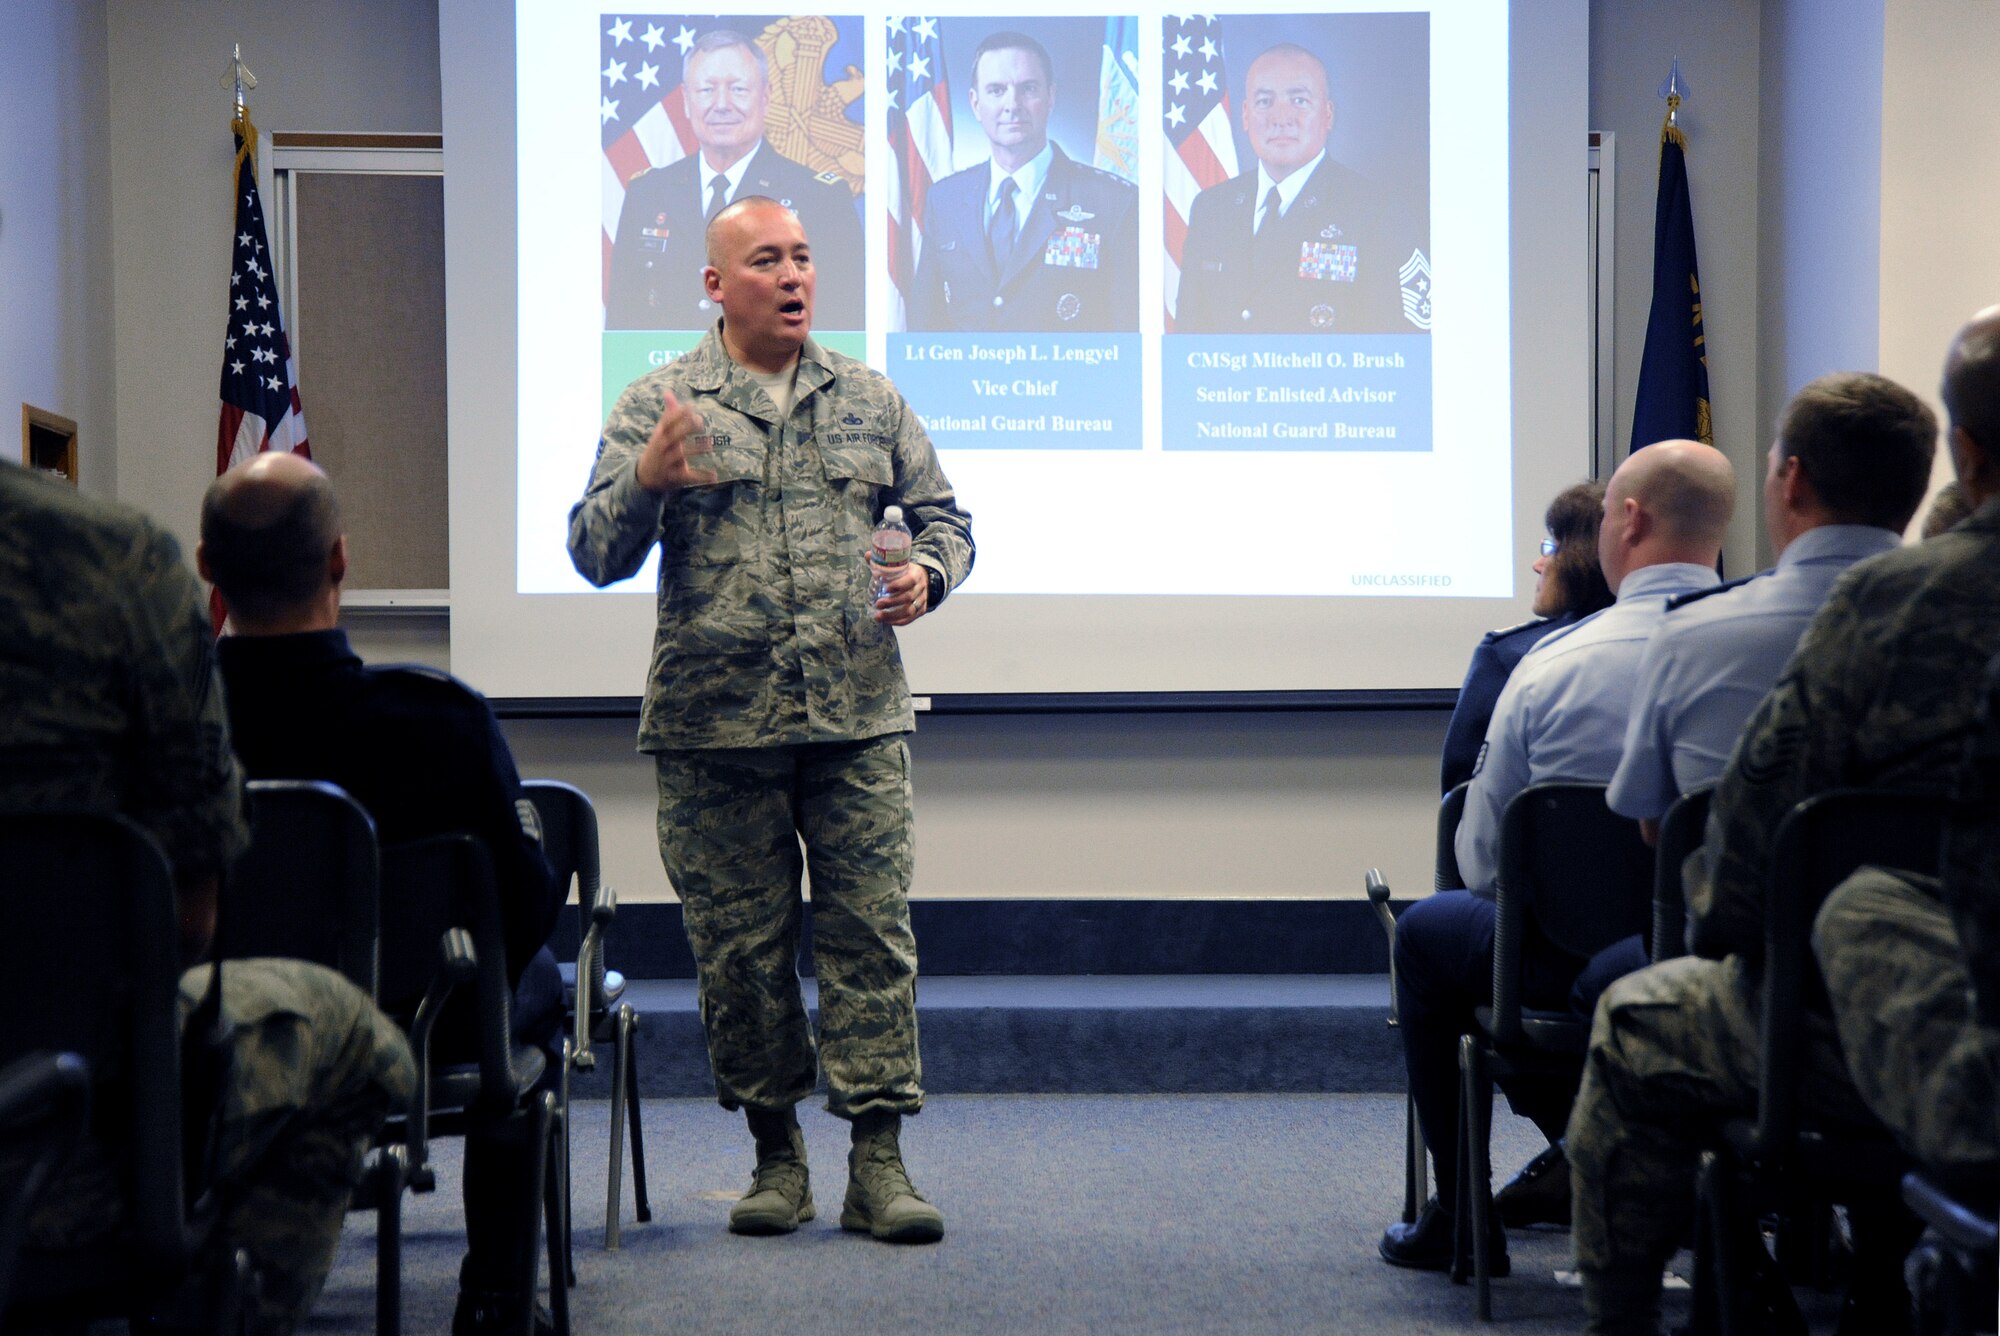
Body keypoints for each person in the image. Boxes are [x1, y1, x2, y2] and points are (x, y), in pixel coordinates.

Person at [1568, 307, 2000, 1336]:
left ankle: (1626, 1322)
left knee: (1635, 1022)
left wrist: (1723, 924)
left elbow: (1761, 845)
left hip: (1894, 1030)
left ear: (1967, 451)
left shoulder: (1889, 604)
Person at [568, 196, 975, 1244]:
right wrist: (648, 483)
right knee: (740, 955)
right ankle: (774, 1158)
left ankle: (877, 1163)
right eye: (765, 260)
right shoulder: (661, 402)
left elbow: (944, 520)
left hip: (855, 720)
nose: (793, 276)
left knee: (870, 938)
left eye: (802, 257)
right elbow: (593, 550)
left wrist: (927, 575)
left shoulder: (868, 399)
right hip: (716, 731)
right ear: (715, 284)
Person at [1494, 372, 1939, 1233]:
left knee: (1620, 999)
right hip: (1958, 1002)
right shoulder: (1964, 622)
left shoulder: (1702, 636)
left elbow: (1661, 832)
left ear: (1794, 482)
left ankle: (1686, 1264)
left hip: (1775, 1006)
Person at [0, 458, 413, 1335]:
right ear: (338, 561)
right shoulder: (108, 560)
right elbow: (190, 919)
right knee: (354, 1040)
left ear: (212, 564)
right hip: (55, 1145)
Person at [198, 452, 566, 1336]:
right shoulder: (438, 722)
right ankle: (494, 1298)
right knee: (537, 982)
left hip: (205, 1025)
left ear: (207, 570)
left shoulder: (162, 732)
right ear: (340, 560)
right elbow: (522, 907)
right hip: (415, 1025)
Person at [1378, 440, 1733, 1275]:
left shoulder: (1544, 668)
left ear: (1628, 521)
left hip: (1556, 964)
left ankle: (1465, 1216)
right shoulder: (1787, 647)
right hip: (1741, 961)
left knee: (1425, 934)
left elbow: (1482, 859)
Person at [606, 29, 863, 331]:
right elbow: (623, 325)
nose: (722, 104)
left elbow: (842, 324)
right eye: (706, 90)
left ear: (765, 98)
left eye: (738, 89)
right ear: (687, 101)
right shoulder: (648, 194)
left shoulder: (820, 198)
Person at [909, 31, 1137, 332]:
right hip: (964, 378)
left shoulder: (1113, 201)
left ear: (1051, 97)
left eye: (1028, 88)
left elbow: (1127, 336)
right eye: (996, 90)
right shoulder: (945, 199)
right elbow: (924, 328)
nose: (1012, 104)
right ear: (975, 104)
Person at [1175, 42, 1404, 334]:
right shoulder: (1211, 208)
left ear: (1328, 115)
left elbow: (1396, 350)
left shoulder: (1375, 212)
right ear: (1245, 115)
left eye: (1299, 101)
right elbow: (1187, 340)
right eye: (1264, 101)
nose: (1280, 118)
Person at [1441, 481, 1614, 795]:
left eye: (1553, 549)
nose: (1538, 565)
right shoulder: (1678, 645)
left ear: (1584, 559)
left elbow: (1462, 797)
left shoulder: (1510, 656)